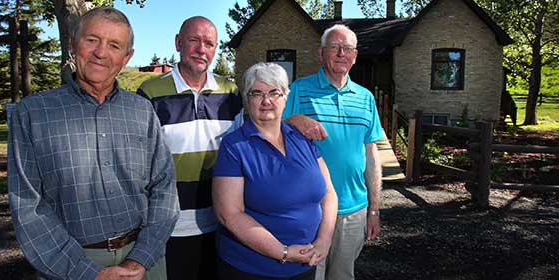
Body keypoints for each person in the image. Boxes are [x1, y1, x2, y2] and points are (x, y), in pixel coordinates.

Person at [8, 6, 179, 280]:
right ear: (75, 43)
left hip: (145, 262)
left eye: (114, 45)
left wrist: (142, 258)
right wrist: (86, 272)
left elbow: (164, 188)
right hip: (70, 265)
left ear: (126, 57)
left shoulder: (142, 111)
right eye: (92, 40)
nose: (101, 52)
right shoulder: (32, 114)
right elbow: (28, 206)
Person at [137, 16, 244, 280]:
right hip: (169, 227)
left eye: (209, 43)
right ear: (178, 43)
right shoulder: (149, 93)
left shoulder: (231, 92)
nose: (201, 49)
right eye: (194, 40)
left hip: (222, 224)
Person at [212, 62, 338, 280]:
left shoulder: (302, 138)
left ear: (285, 97)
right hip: (252, 269)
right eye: (257, 93)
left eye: (274, 92)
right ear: (246, 98)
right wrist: (284, 252)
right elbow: (229, 215)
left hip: (305, 265)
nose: (266, 100)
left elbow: (329, 193)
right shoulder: (234, 147)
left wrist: (324, 240)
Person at [283, 24, 385, 280]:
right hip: (311, 209)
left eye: (347, 48)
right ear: (321, 53)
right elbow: (274, 129)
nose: (341, 53)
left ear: (354, 56)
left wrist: (374, 210)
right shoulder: (299, 89)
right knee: (308, 275)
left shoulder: (365, 98)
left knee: (342, 276)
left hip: (354, 210)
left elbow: (371, 155)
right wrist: (295, 119)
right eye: (334, 47)